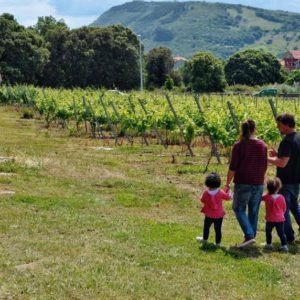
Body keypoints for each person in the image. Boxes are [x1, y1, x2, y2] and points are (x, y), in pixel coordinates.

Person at [225, 119, 267, 248]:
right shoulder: (262, 145)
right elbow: (265, 165)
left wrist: (227, 184)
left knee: (238, 208)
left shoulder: (239, 145)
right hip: (258, 182)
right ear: (254, 129)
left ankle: (249, 235)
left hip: (243, 182)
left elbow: (233, 167)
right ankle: (251, 237)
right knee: (254, 211)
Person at [268, 113, 300, 244]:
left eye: (279, 125)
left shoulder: (287, 141)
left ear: (286, 125)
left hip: (285, 181)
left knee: (283, 210)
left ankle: (289, 237)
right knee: (294, 206)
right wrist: (278, 154)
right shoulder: (298, 137)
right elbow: (291, 157)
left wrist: (266, 158)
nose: (277, 127)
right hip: (296, 180)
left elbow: (282, 163)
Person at [196, 172, 231, 246]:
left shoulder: (206, 193)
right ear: (218, 183)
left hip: (208, 214)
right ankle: (218, 243)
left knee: (206, 228)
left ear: (207, 183)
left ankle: (205, 239)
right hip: (219, 215)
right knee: (218, 230)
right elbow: (228, 197)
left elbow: (202, 200)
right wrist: (227, 191)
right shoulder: (220, 192)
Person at [262, 177, 288, 252]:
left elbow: (260, 198)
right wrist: (281, 214)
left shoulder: (267, 197)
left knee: (268, 232)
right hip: (280, 219)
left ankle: (269, 244)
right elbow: (284, 208)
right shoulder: (281, 197)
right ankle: (284, 246)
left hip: (270, 219)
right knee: (281, 233)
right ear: (278, 188)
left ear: (268, 188)